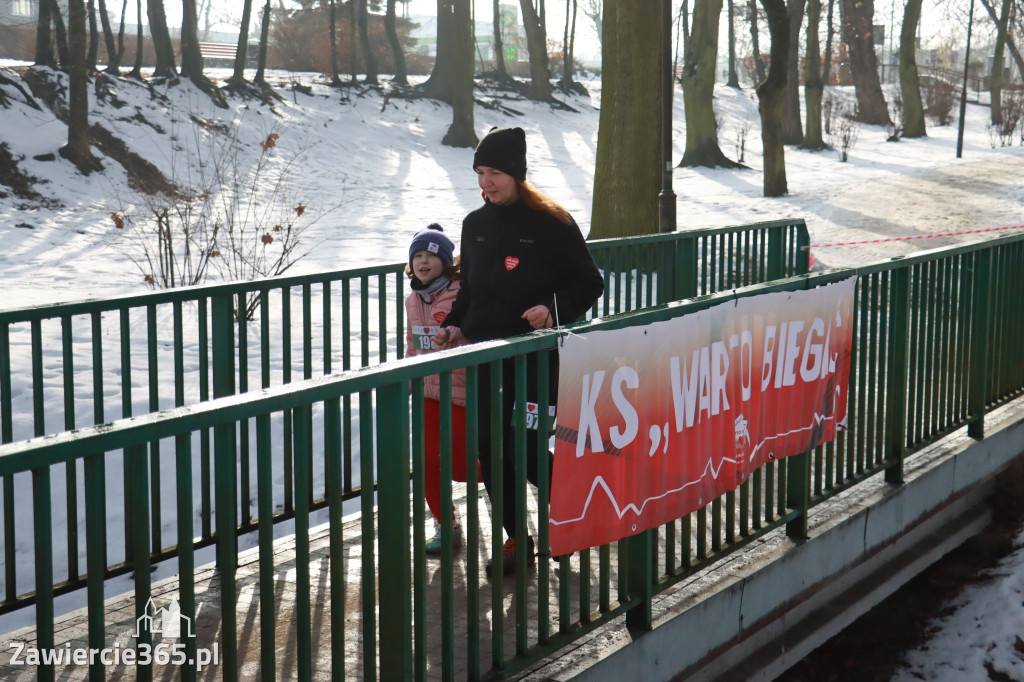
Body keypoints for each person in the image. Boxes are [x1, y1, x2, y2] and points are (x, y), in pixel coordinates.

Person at [434, 126, 604, 577]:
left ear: (516, 174)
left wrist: (552, 310)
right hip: (486, 358)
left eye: (494, 173)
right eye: (480, 173)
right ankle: (517, 538)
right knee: (490, 451)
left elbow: (590, 282)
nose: (485, 182)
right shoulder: (475, 225)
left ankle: (572, 515)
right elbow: (470, 289)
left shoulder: (553, 222)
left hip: (534, 357)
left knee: (525, 446)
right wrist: (454, 326)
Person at [404, 223, 480, 554]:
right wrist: (407, 379)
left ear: (446, 262)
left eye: (430, 256)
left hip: (460, 388)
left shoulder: (461, 291)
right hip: (427, 392)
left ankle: (507, 469)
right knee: (426, 462)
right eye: (417, 256)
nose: (423, 262)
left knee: (461, 466)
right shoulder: (412, 299)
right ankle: (445, 524)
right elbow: (412, 342)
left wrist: (454, 335)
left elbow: (476, 330)